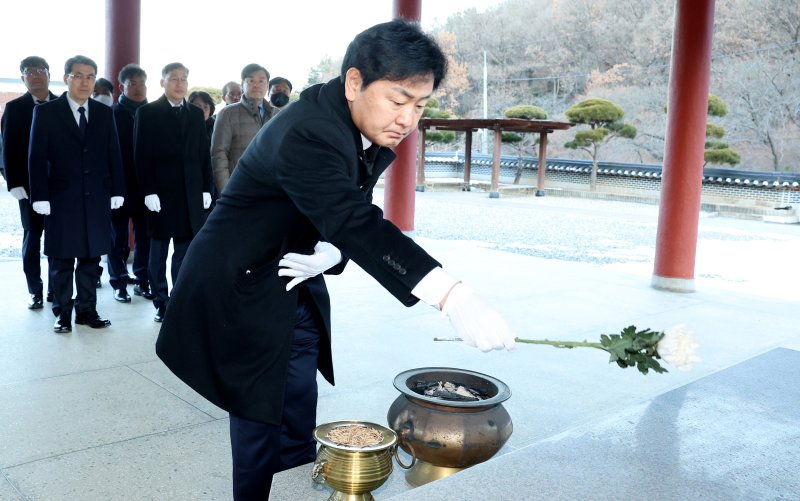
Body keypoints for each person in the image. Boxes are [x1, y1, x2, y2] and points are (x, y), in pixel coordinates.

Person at [155, 20, 514, 500]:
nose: (407, 120)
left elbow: (339, 212)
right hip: (239, 287)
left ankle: (296, 491)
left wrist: (331, 250)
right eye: (398, 100)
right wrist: (451, 294)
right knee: (261, 421)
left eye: (421, 106)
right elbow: (353, 217)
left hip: (294, 281)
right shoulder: (309, 129)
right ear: (353, 82)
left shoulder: (358, 123)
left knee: (298, 413)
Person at [28, 55, 125, 333]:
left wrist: (118, 189)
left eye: (90, 76)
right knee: (61, 259)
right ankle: (62, 312)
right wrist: (40, 196)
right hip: (61, 198)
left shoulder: (104, 113)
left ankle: (87, 311)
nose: (85, 82)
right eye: (79, 76)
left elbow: (113, 154)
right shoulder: (46, 113)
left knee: (91, 257)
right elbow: (36, 158)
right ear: (66, 78)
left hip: (96, 197)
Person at [134, 62, 213, 322]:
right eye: (174, 78)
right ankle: (161, 301)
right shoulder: (148, 112)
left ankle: (178, 299)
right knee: (158, 251)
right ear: (162, 82)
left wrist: (205, 188)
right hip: (160, 195)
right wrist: (148, 190)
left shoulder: (193, 113)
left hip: (190, 194)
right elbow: (141, 155)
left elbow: (203, 154)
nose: (180, 84)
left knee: (184, 252)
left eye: (184, 79)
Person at [1, 56, 57, 310]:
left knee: (60, 240)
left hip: (60, 186)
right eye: (29, 72)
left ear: (48, 74)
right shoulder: (14, 108)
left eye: (40, 70)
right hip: (28, 188)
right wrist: (13, 183)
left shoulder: (62, 104)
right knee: (32, 239)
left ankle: (57, 289)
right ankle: (35, 290)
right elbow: (7, 149)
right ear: (23, 78)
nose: (35, 75)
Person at [108, 63, 153, 302]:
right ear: (121, 86)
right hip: (120, 187)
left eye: (142, 83)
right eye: (132, 83)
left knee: (146, 236)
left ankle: (143, 280)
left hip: (147, 188)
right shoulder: (112, 114)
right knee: (117, 237)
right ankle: (118, 282)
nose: (138, 88)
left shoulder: (154, 113)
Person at [210, 63, 271, 194]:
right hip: (240, 186)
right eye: (251, 80)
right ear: (243, 83)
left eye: (261, 81)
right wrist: (225, 191)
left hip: (272, 187)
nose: (257, 85)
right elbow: (219, 153)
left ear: (267, 85)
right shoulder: (227, 113)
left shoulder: (277, 114)